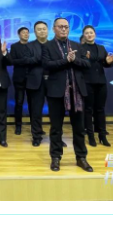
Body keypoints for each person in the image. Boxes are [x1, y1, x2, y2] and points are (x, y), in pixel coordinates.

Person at [42, 18, 92, 172]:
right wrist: (66, 60)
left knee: (79, 128)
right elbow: (47, 65)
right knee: (56, 128)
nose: (64, 29)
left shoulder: (77, 45)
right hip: (56, 92)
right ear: (54, 29)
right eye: (60, 27)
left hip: (76, 92)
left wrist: (74, 59)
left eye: (66, 27)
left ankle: (81, 157)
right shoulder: (47, 46)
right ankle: (55, 157)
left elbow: (87, 64)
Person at [78, 25, 113, 147]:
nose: (89, 35)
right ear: (84, 35)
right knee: (88, 110)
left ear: (95, 34)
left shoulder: (101, 47)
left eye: (91, 32)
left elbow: (105, 63)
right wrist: (87, 60)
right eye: (87, 33)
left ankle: (102, 136)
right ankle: (90, 136)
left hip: (101, 82)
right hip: (87, 82)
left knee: (100, 109)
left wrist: (108, 62)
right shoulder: (80, 48)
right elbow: (79, 64)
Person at [26, 21, 50, 147]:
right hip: (35, 82)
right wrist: (42, 58)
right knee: (36, 111)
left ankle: (57, 137)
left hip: (53, 82)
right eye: (39, 29)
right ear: (35, 32)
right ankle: (36, 136)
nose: (42, 31)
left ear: (48, 31)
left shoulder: (54, 44)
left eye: (44, 29)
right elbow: (26, 61)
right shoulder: (29, 46)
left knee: (56, 112)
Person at [9, 26, 31, 135]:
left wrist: (24, 61)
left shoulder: (33, 46)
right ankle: (18, 126)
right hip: (19, 79)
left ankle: (35, 126)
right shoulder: (14, 46)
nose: (26, 34)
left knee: (33, 104)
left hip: (32, 79)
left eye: (27, 32)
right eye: (23, 32)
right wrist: (25, 60)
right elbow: (12, 61)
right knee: (19, 102)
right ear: (19, 35)